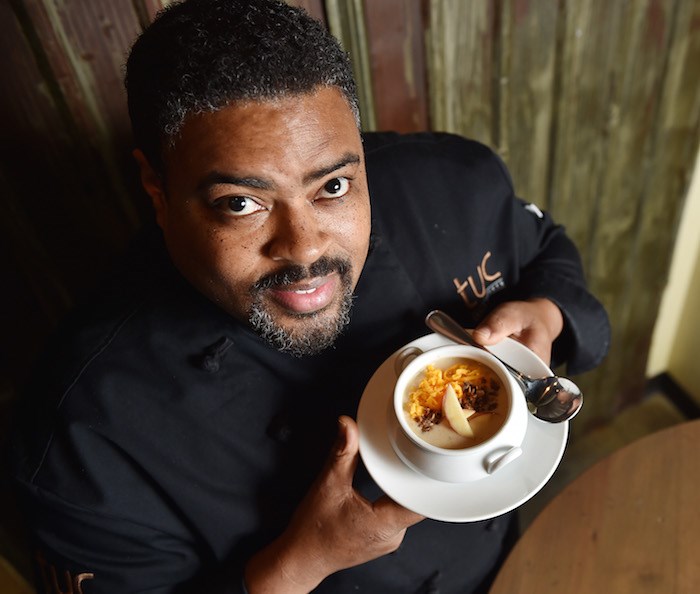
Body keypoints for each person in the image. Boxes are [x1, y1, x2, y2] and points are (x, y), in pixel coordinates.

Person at [10, 0, 610, 592]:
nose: (303, 250)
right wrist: (295, 567)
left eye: (334, 185)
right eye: (240, 202)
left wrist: (548, 313)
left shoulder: (452, 180)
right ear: (157, 188)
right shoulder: (83, 435)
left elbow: (544, 248)